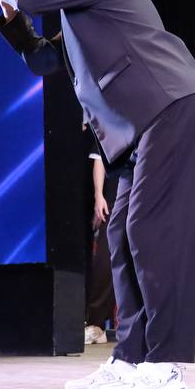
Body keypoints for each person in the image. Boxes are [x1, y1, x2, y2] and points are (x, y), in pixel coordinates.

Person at [0, 0, 195, 389]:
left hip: (170, 105)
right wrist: (11, 9)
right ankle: (129, 358)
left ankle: (166, 363)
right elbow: (41, 59)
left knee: (153, 232)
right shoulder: (79, 9)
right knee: (122, 236)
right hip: (139, 126)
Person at [84, 145, 117, 345]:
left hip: (147, 195)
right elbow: (99, 159)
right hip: (116, 197)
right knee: (105, 261)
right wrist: (99, 195)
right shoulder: (111, 127)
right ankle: (96, 324)